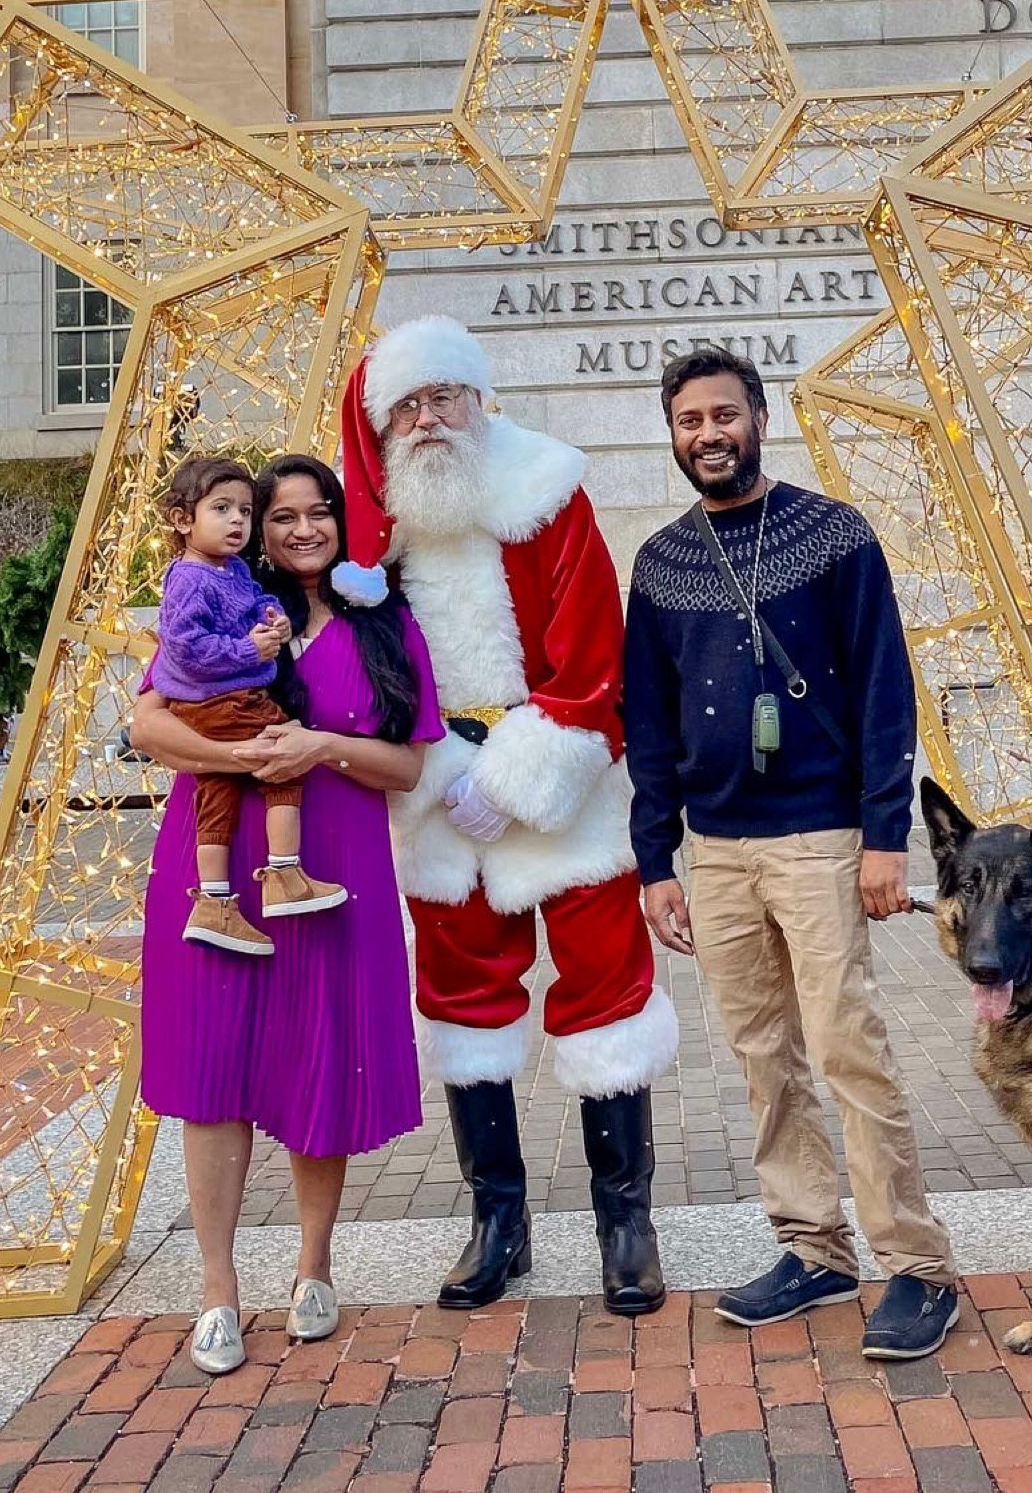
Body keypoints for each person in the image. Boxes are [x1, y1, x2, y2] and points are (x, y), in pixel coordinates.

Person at [624, 347, 961, 1362]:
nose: (707, 433)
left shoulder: (833, 535)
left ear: (760, 418)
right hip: (715, 849)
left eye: (723, 414)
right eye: (688, 420)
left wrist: (883, 836)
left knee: (849, 1049)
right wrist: (654, 860)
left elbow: (883, 692)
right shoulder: (659, 562)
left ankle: (917, 1264)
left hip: (820, 841)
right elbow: (645, 718)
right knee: (763, 1059)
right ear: (674, 435)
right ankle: (812, 1245)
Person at [338, 316, 678, 1316]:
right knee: (462, 1007)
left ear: (478, 399)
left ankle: (627, 1221)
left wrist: (518, 777)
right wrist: (440, 774)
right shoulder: (372, 535)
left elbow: (592, 656)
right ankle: (499, 1219)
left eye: (444, 395)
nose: (429, 417)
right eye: (408, 403)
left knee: (607, 991)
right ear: (384, 422)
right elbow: (359, 678)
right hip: (439, 797)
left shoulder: (545, 493)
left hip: (560, 788)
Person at [132, 455, 441, 1377]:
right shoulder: (219, 605)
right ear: (253, 528)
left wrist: (319, 746)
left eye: (319, 515)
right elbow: (147, 725)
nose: (302, 531)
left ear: (343, 525)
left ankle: (313, 1267)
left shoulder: (384, 626)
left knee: (322, 1057)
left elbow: (407, 768)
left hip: (334, 866)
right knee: (209, 1065)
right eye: (281, 517)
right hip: (213, 866)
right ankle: (217, 1289)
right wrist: (242, 763)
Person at [149, 455, 346, 954]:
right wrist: (247, 650)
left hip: (218, 705)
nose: (237, 520)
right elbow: (185, 647)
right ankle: (283, 872)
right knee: (284, 759)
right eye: (222, 509)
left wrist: (273, 618)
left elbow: (252, 601)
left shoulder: (229, 569)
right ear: (182, 519)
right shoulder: (190, 578)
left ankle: (214, 902)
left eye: (244, 510)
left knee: (216, 795)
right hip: (224, 700)